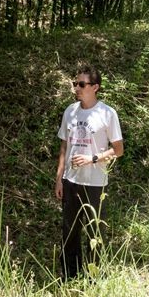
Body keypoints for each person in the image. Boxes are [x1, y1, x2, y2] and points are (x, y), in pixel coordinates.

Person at [55, 64, 124, 280]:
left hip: (95, 182)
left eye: (81, 84)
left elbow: (118, 150)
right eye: (75, 83)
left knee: (95, 233)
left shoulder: (107, 113)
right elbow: (64, 147)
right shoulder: (70, 111)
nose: (76, 87)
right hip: (70, 181)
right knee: (70, 233)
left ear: (95, 87)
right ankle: (70, 278)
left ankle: (95, 279)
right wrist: (59, 179)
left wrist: (92, 158)